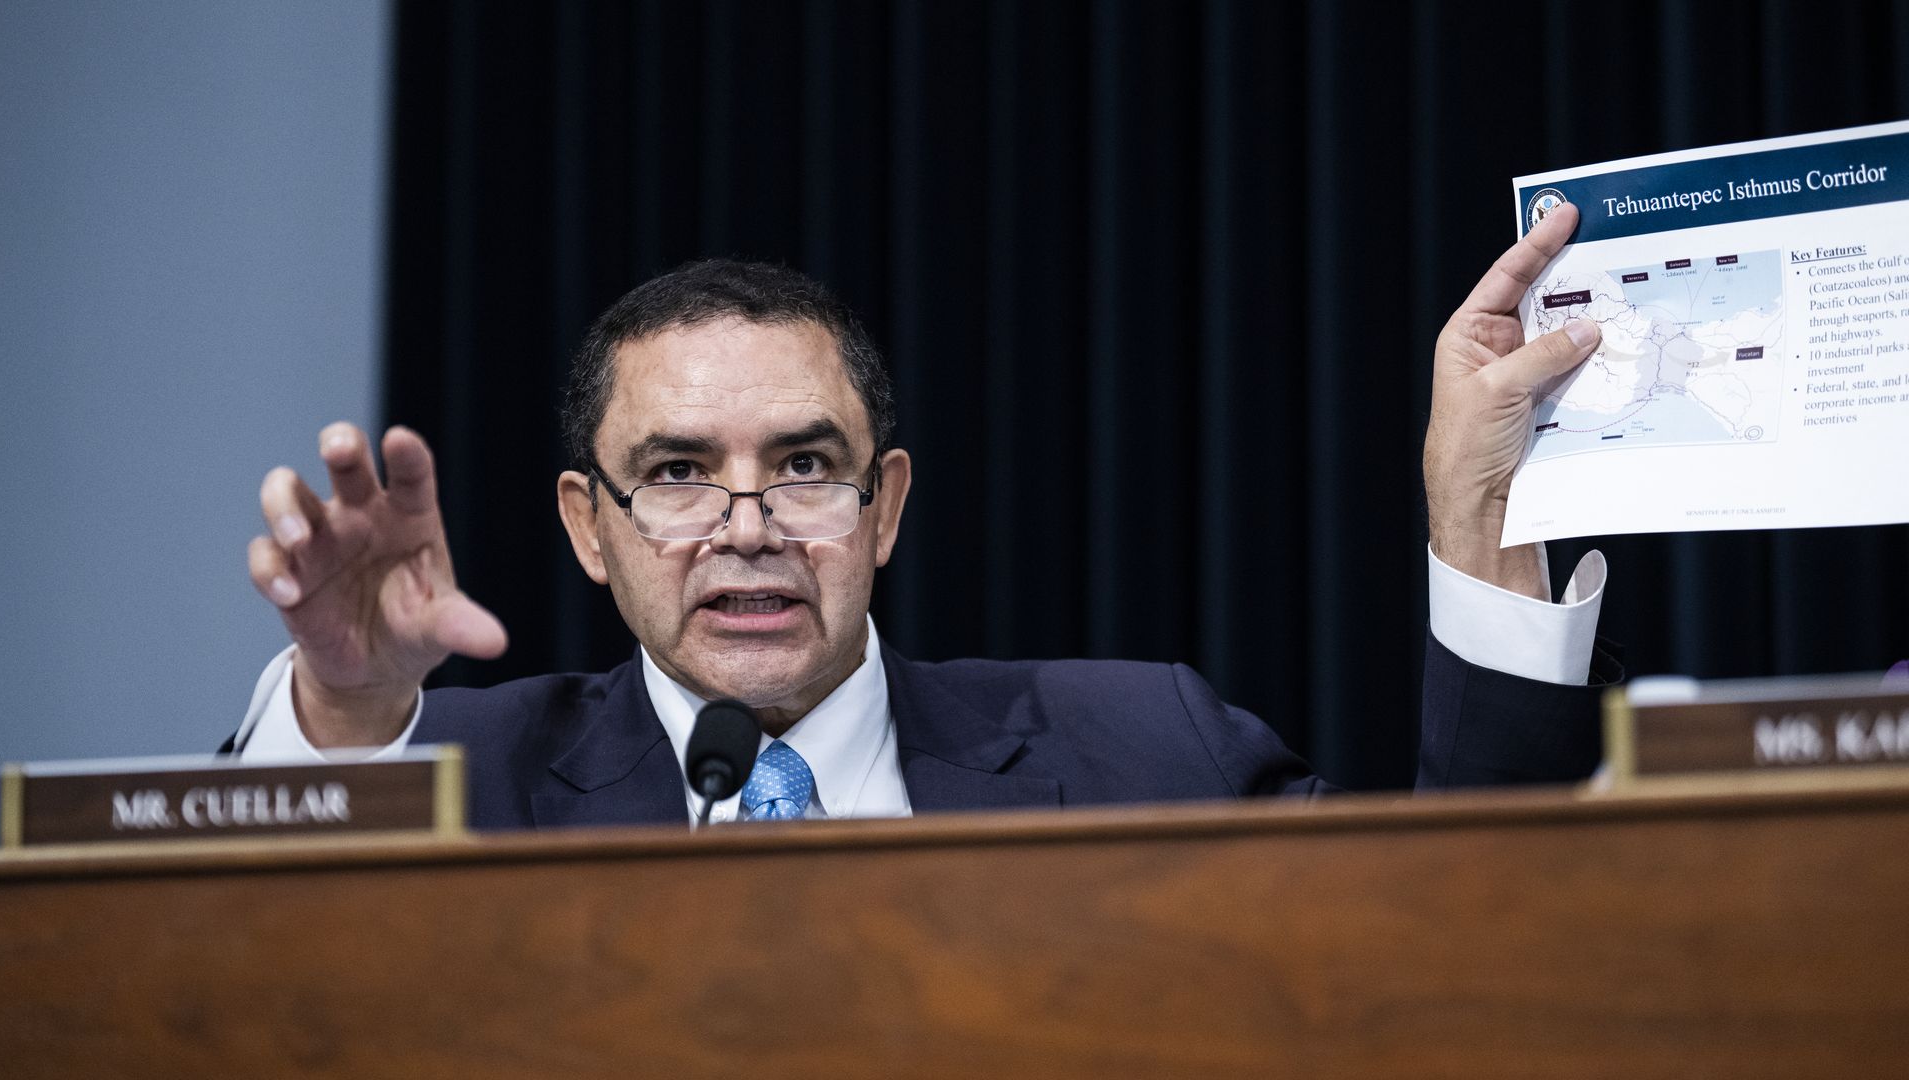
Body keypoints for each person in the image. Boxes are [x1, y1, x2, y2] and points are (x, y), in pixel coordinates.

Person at [232, 203, 1617, 827]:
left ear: (886, 504)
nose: (750, 523)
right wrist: (348, 714)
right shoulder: (448, 782)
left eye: (807, 464)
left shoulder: (1143, 752)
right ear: (588, 530)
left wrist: (1477, 507)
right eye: (675, 474)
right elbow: (223, 982)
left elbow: (1465, 948)